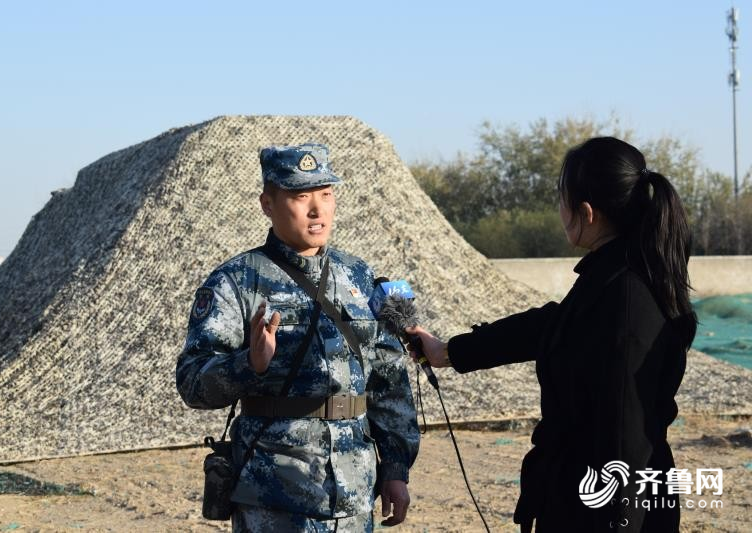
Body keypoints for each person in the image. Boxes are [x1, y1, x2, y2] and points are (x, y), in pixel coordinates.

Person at [408, 137, 697, 532]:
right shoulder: (610, 278)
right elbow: (548, 325)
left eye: (562, 199)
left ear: (587, 212)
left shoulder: (627, 297)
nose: (559, 211)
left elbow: (626, 436)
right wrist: (449, 351)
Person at [176, 143, 420, 532]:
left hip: (354, 493)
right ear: (267, 205)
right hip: (276, 495)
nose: (317, 209)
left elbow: (387, 378)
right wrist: (249, 365)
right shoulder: (237, 281)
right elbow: (192, 383)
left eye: (325, 194)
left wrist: (395, 467)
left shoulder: (358, 276)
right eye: (300, 196)